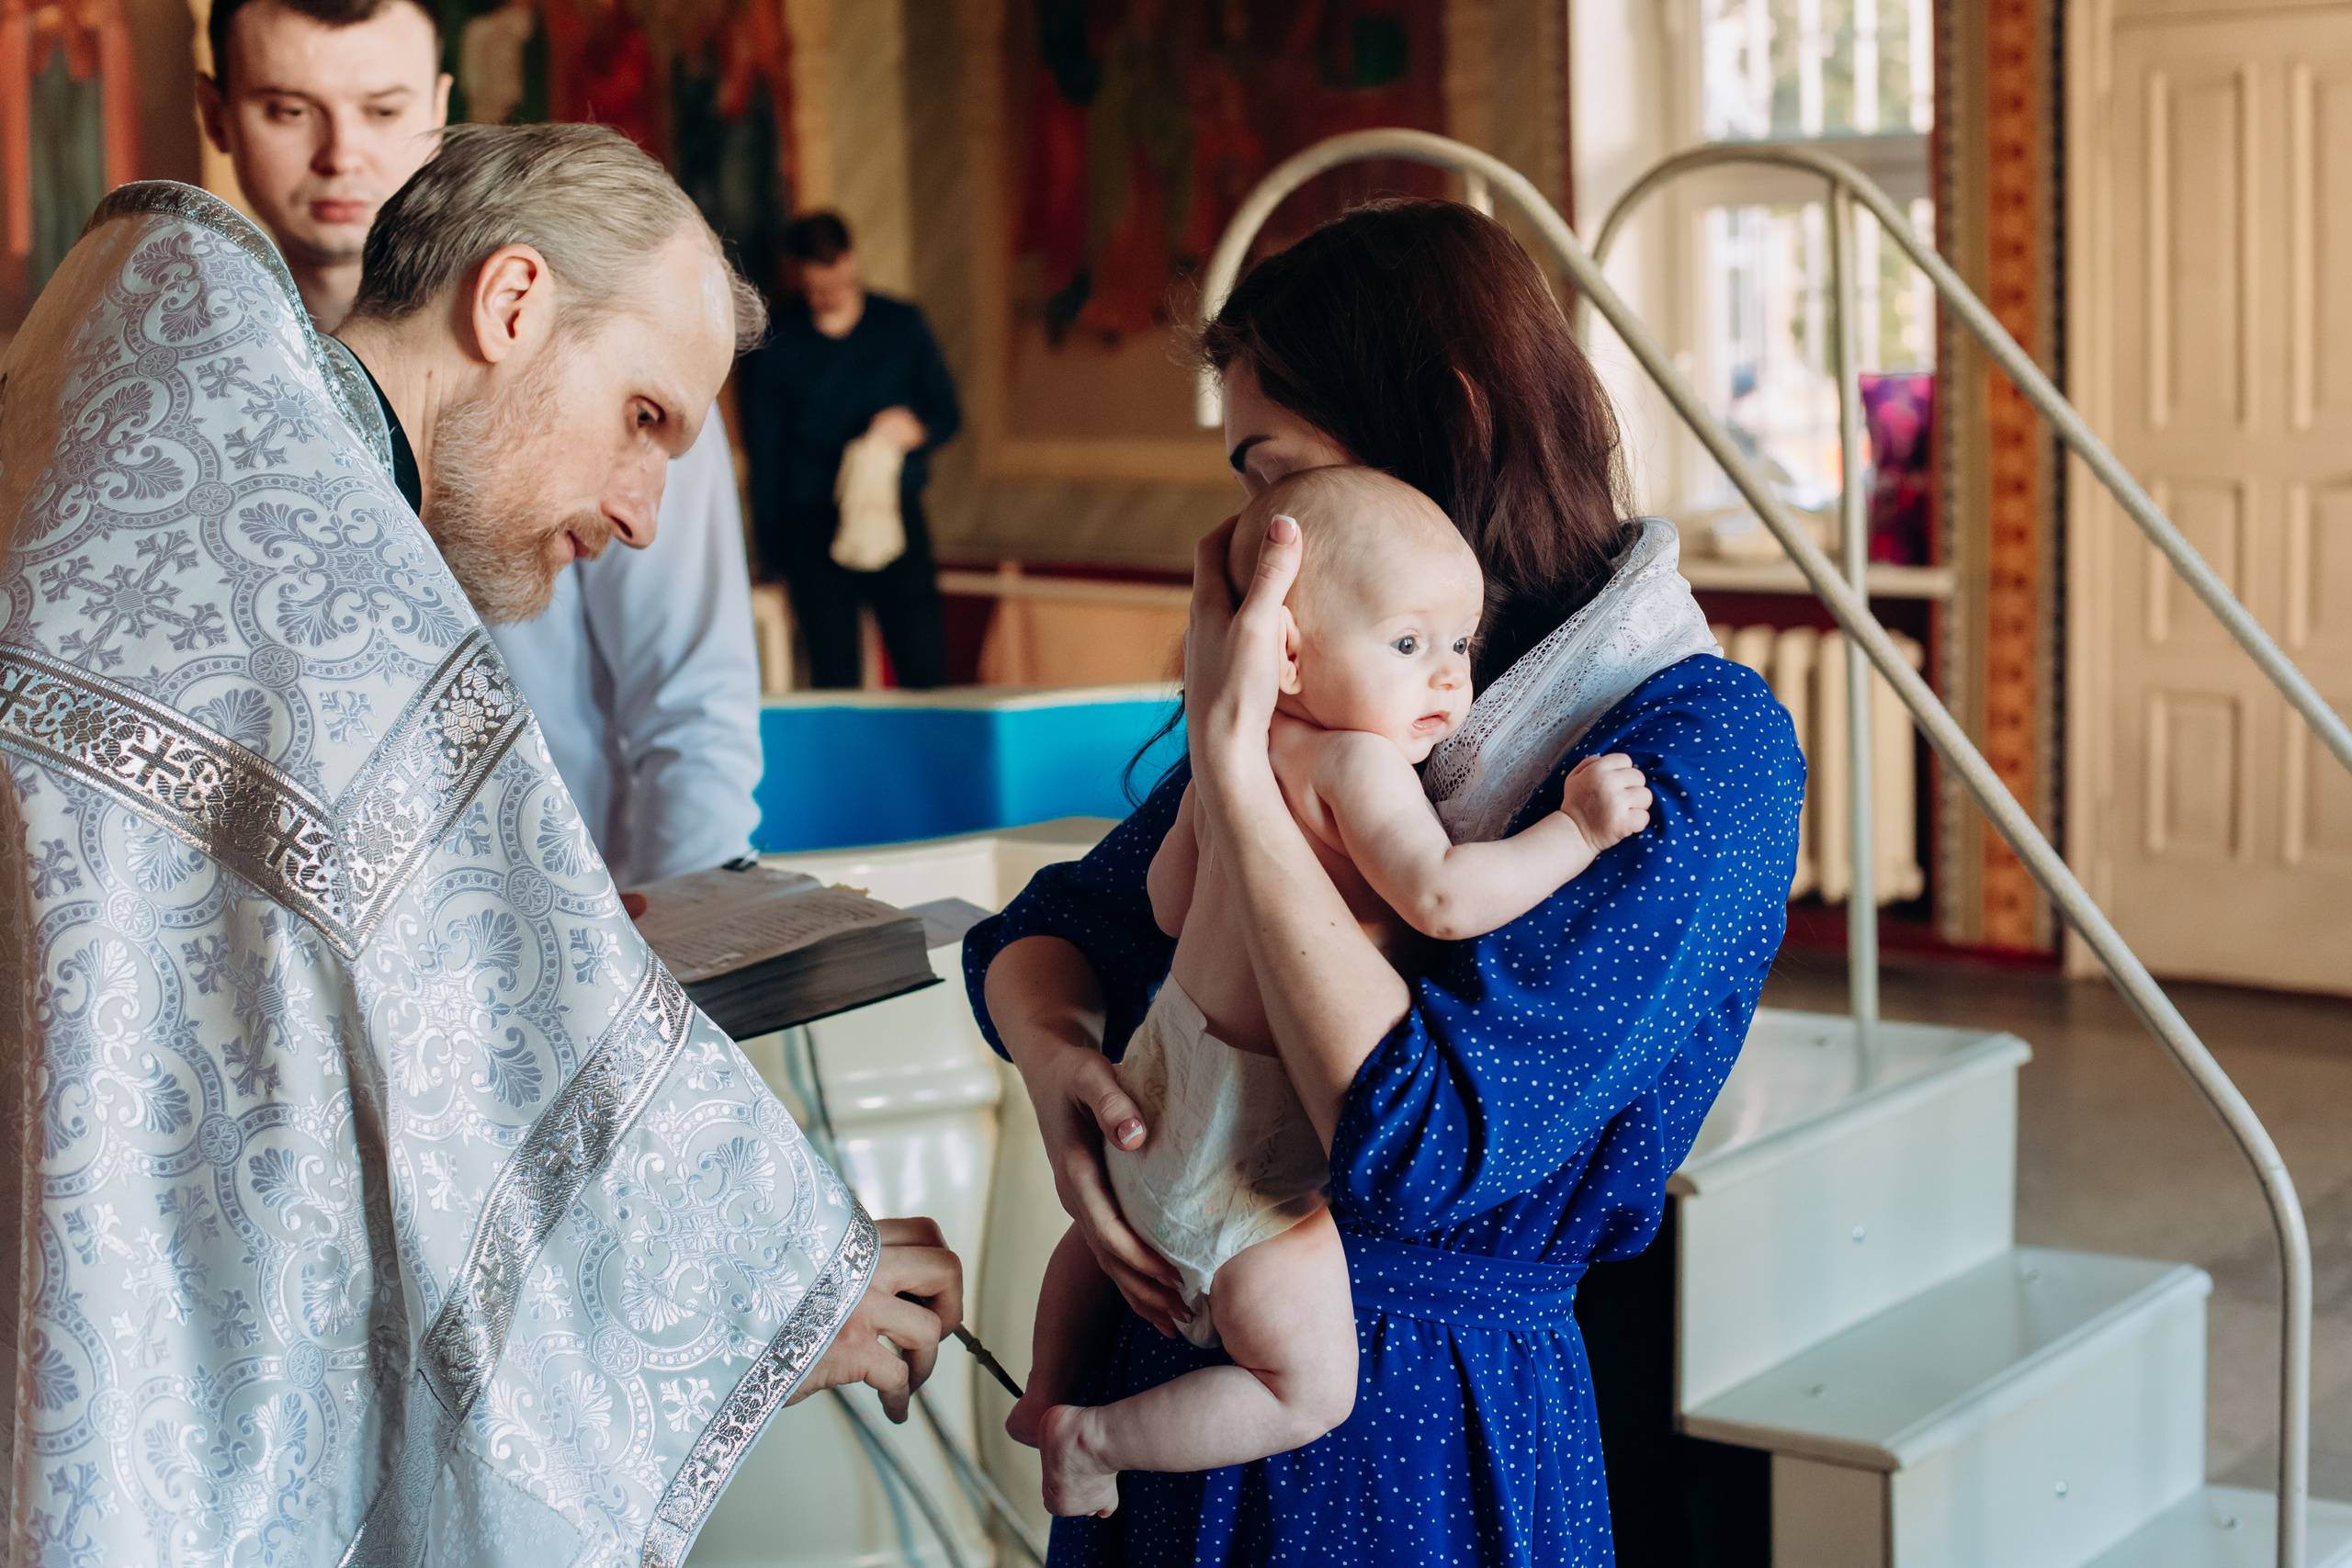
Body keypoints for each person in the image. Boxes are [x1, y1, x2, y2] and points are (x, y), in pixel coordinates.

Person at [0, 125, 960, 1565]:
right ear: (512, 306)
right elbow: (471, 1033)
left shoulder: (218, 450)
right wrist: (777, 1283)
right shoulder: (331, 592)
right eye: (645, 418)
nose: (644, 516)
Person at [964, 198, 1806, 1564]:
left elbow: (1424, 1146)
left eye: (1270, 471)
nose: (1250, 534)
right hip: (1177, 1383)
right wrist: (1062, 1061)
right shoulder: (1347, 703)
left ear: (1447, 425)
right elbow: (1058, 926)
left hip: (1412, 1430)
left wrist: (1238, 777)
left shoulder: (1694, 746)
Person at [1017, 467, 1657, 1520]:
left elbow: (1169, 907)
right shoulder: (1357, 766)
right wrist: (1575, 833)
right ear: (1287, 650)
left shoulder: (1241, 752)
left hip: (1162, 1083)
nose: (1447, 680)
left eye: (1460, 643)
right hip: (1254, 1160)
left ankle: (1045, 1390)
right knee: (1308, 1387)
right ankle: (1094, 1438)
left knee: (1096, 1244)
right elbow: (1445, 897)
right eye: (1407, 646)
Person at [202, 0, 764, 886]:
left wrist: (668, 979)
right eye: (288, 108)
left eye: (384, 109)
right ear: (217, 114)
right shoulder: (195, 407)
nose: (342, 154)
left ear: (438, 103)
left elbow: (693, 718)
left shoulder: (625, 351)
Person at [737, 209, 960, 689]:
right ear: (799, 275)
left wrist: (912, 428)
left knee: (923, 668)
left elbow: (948, 415)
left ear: (851, 263)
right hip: (811, 525)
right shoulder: (779, 345)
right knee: (833, 675)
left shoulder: (900, 325)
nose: (825, 297)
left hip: (893, 514)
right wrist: (773, 559)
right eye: (815, 288)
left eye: (834, 283)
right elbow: (767, 459)